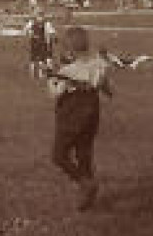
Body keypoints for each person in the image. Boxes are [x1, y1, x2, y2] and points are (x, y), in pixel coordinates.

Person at [45, 26, 112, 211]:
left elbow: (55, 94)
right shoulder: (99, 65)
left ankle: (85, 183)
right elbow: (108, 90)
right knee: (84, 153)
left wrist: (51, 79)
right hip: (92, 113)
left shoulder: (68, 71)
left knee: (58, 155)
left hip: (71, 114)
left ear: (69, 49)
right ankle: (87, 198)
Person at [26, 6, 56, 76]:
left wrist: (31, 35)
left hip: (34, 41)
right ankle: (41, 73)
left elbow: (26, 30)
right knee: (43, 57)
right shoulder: (46, 23)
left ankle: (33, 73)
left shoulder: (32, 22)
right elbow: (52, 32)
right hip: (43, 41)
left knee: (34, 58)